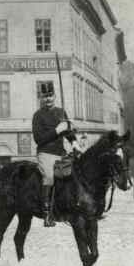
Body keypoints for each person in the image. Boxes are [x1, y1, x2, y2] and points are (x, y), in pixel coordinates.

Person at [31, 82, 82, 226]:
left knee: (76, 173)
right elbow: (38, 139)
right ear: (41, 97)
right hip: (45, 152)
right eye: (45, 96)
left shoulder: (61, 112)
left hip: (61, 152)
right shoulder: (38, 116)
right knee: (49, 176)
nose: (48, 99)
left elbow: (67, 131)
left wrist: (74, 142)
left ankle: (75, 206)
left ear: (55, 96)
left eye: (50, 96)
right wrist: (57, 130)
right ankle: (47, 213)